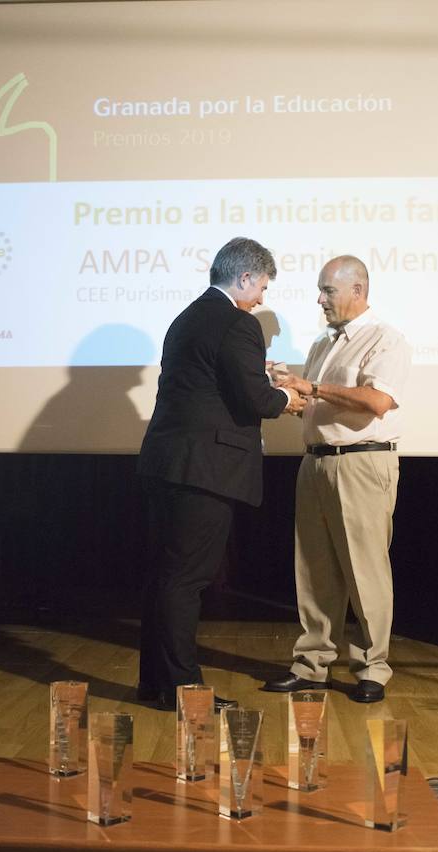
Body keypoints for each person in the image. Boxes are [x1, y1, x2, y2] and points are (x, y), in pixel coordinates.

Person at [137, 237, 306, 711]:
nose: (262, 298)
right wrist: (287, 399)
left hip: (170, 463)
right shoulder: (238, 322)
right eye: (263, 286)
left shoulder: (187, 316)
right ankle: (182, 691)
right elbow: (252, 399)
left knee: (166, 577)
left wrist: (258, 377)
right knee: (185, 581)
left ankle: (156, 683)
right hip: (203, 469)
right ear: (245, 277)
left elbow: (215, 384)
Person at [262, 255, 411, 703]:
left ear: (358, 290)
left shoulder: (385, 339)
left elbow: (378, 400)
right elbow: (316, 406)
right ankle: (311, 665)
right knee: (313, 570)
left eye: (328, 290)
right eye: (321, 290)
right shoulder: (323, 345)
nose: (321, 299)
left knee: (365, 569)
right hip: (317, 462)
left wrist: (311, 387)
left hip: (362, 464)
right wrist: (286, 394)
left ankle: (372, 668)